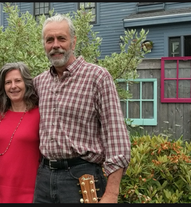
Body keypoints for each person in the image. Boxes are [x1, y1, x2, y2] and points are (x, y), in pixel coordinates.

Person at [32, 14, 131, 203]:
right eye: (49, 40)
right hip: (44, 178)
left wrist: (111, 194)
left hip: (82, 177)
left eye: (62, 38)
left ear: (73, 42)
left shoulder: (97, 77)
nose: (55, 45)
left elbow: (116, 137)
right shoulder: (39, 82)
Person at [0, 62, 41, 203]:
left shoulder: (39, 114)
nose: (13, 86)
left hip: (30, 193)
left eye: (18, 81)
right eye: (8, 82)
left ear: (26, 83)